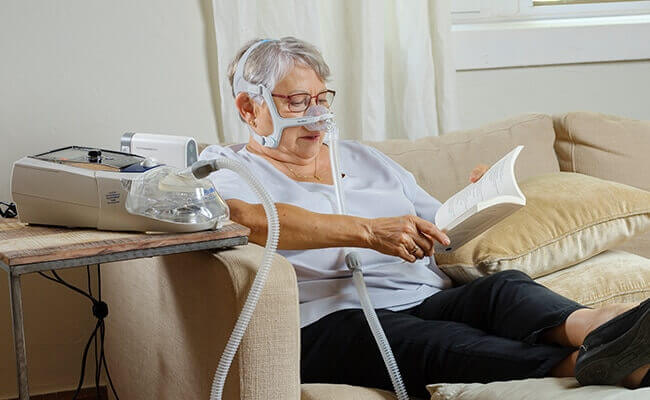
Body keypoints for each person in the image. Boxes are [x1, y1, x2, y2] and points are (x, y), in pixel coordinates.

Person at [199, 37, 650, 397]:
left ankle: (612, 326)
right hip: (333, 320)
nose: (318, 115)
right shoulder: (229, 169)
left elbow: (441, 227)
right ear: (247, 108)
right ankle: (600, 366)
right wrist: (368, 232)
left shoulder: (363, 159)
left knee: (501, 290)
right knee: (433, 342)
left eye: (322, 98)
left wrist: (476, 199)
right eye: (298, 102)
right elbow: (250, 219)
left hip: (422, 296)